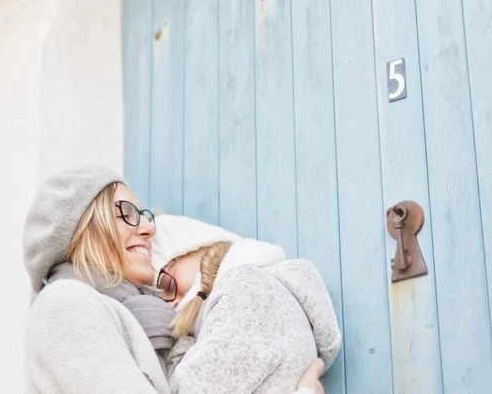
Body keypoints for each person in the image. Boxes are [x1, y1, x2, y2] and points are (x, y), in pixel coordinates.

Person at [22, 166, 327, 394]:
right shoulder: (64, 305)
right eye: (127, 213)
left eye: (144, 215)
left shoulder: (147, 321)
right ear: (83, 228)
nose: (148, 229)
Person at [150, 215, 341, 394]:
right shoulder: (252, 293)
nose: (171, 303)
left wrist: (181, 346)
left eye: (168, 284)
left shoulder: (246, 288)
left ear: (196, 248)